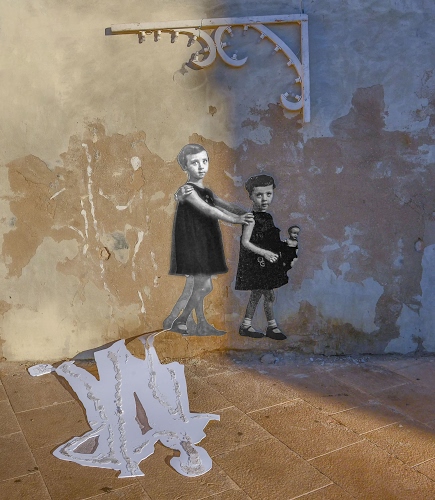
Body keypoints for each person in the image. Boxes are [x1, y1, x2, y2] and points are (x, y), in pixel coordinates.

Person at [166, 144, 253, 336]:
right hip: (194, 244)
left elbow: (225, 205)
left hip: (206, 242)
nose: (201, 166)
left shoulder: (206, 191)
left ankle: (200, 324)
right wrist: (237, 220)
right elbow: (210, 210)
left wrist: (247, 212)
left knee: (199, 285)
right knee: (205, 286)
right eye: (194, 163)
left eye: (204, 161)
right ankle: (180, 320)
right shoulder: (188, 190)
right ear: (185, 167)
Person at [235, 174, 297, 340]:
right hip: (258, 264)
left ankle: (246, 326)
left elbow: (269, 241)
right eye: (259, 195)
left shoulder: (268, 217)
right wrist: (265, 253)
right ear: (251, 196)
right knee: (269, 295)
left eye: (268, 194)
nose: (264, 199)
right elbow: (245, 242)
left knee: (257, 295)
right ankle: (272, 327)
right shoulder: (251, 219)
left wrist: (285, 245)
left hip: (267, 264)